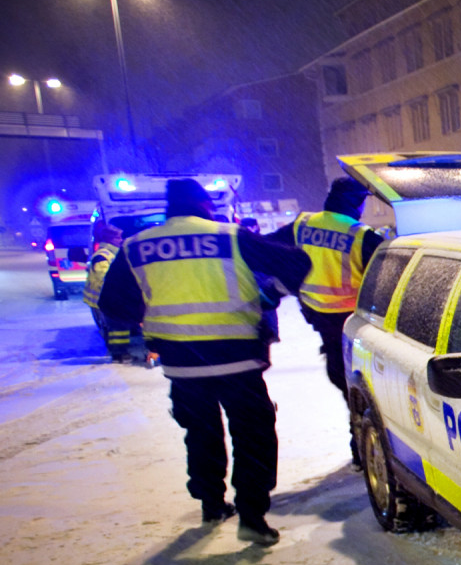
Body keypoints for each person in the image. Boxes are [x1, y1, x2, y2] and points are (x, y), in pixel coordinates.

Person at [98, 178, 310, 545]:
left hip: (182, 361)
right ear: (205, 205)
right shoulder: (231, 237)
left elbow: (113, 305)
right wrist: (268, 294)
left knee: (200, 431)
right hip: (237, 357)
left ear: (169, 208)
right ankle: (252, 517)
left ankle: (212, 503)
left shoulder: (137, 246)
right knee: (252, 434)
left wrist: (150, 316)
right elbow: (297, 262)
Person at [270, 179, 381, 391]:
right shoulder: (360, 235)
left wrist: (284, 285)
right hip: (353, 317)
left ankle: (355, 409)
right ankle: (359, 413)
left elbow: (270, 251)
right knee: (360, 373)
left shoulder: (302, 224)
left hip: (318, 314)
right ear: (357, 202)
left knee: (339, 366)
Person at [81, 220, 140, 363]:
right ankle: (119, 354)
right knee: (116, 328)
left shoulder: (114, 254)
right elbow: (104, 278)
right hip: (103, 299)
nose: (121, 240)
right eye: (117, 237)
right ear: (109, 239)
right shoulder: (102, 256)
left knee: (117, 327)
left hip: (110, 298)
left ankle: (120, 352)